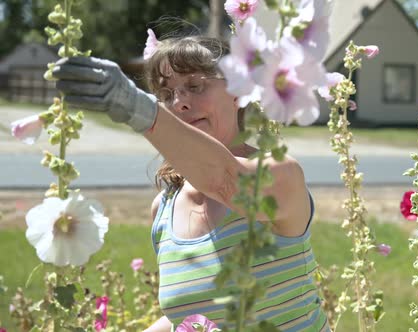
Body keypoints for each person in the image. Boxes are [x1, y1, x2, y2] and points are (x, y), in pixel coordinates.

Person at [52, 35, 329, 331]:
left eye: (195, 86)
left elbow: (224, 179)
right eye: (166, 93)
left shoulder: (280, 173)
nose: (179, 102)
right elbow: (187, 319)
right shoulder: (164, 209)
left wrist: (137, 108)